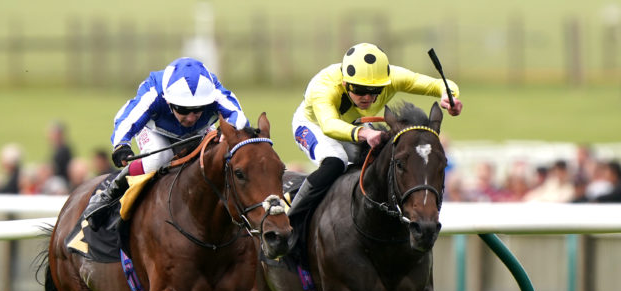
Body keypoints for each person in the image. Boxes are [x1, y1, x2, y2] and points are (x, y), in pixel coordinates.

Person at [288, 42, 463, 225]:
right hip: (314, 125)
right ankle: (291, 218)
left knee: (381, 160)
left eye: (375, 91)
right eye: (360, 90)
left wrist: (448, 95)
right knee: (336, 161)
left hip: (355, 124)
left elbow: (440, 85)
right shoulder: (324, 86)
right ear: (345, 84)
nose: (368, 98)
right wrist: (364, 133)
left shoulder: (392, 77)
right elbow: (329, 125)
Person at [83, 57, 248, 229]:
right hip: (154, 129)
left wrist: (230, 129)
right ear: (168, 101)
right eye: (183, 109)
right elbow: (128, 118)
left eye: (198, 109)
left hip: (200, 131)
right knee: (159, 157)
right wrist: (121, 145)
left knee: (217, 156)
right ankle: (109, 194)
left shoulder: (214, 92)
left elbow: (239, 117)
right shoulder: (155, 92)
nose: (191, 117)